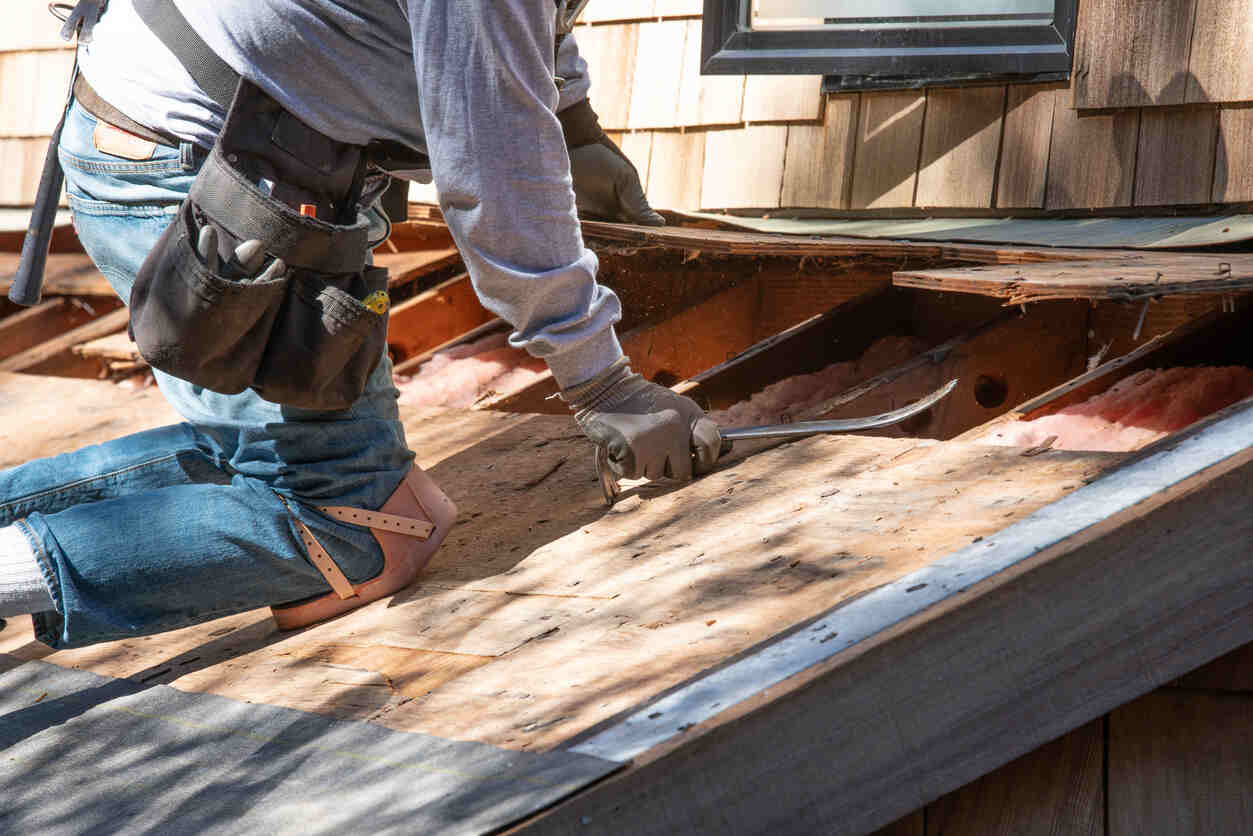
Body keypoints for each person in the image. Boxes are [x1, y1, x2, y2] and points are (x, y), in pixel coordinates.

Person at [0, 0, 721, 648]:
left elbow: (521, 25)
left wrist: (575, 124)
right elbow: (493, 174)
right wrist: (601, 384)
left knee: (291, 460)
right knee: (358, 526)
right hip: (197, 168)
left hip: (227, 140)